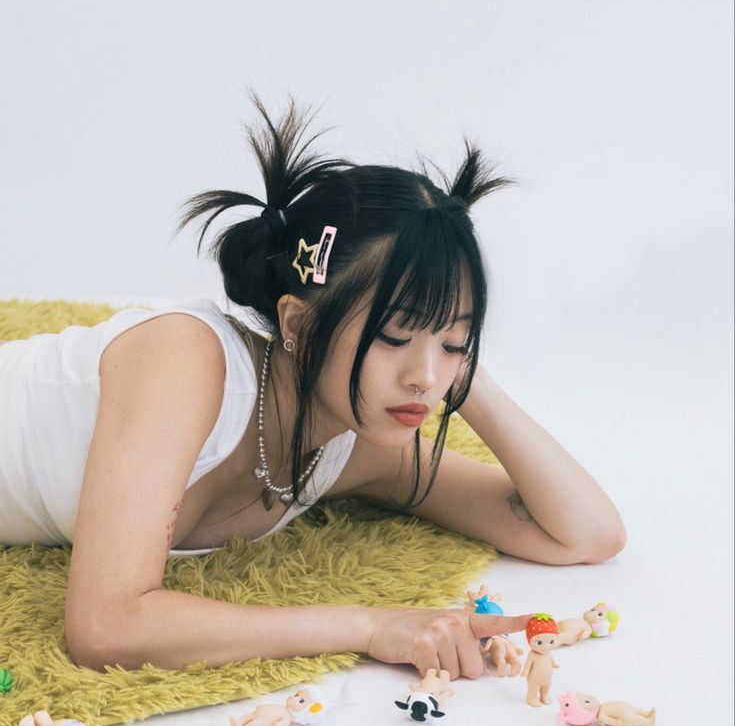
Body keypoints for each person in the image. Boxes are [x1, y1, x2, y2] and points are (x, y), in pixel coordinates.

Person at [0, 93, 626, 679]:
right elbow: (106, 626)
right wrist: (368, 625)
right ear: (297, 320)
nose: (425, 377)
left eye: (453, 342)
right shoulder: (188, 362)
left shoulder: (357, 447)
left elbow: (586, 534)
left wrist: (471, 379)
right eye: (395, 336)